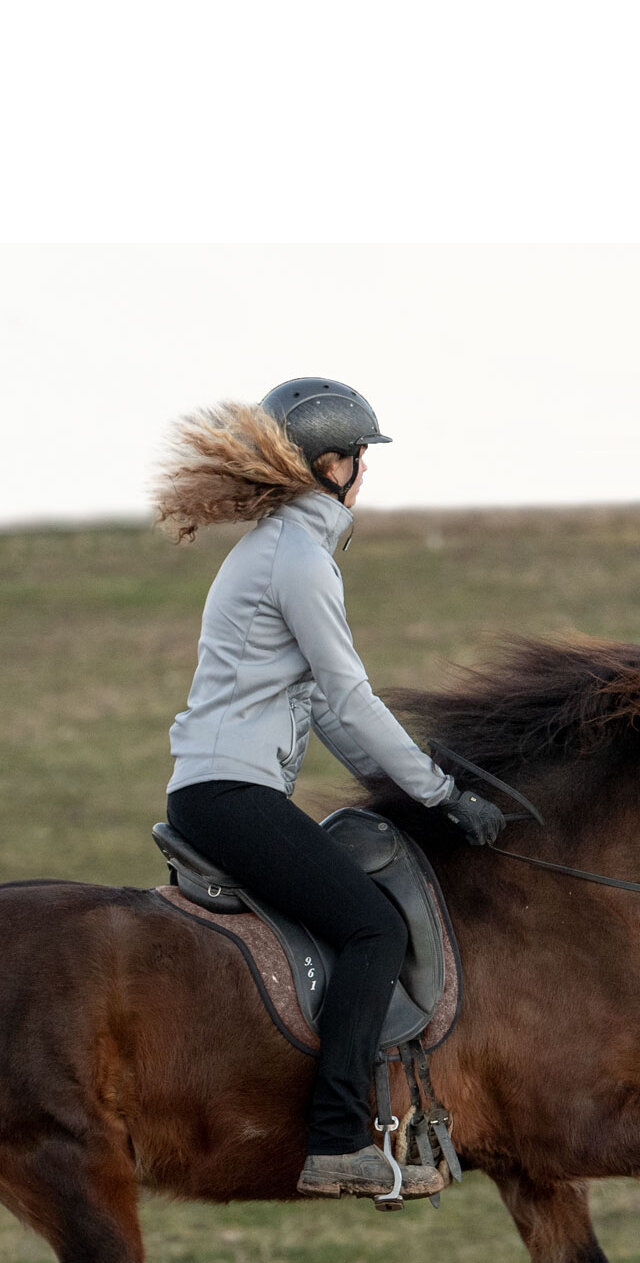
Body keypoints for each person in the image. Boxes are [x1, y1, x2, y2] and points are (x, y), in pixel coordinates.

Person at [155, 378, 507, 1199]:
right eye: (359, 459)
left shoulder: (281, 551)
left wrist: (420, 783)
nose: (364, 476)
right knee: (373, 932)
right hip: (229, 798)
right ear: (333, 465)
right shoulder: (301, 557)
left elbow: (322, 707)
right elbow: (351, 697)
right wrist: (438, 793)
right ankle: (338, 1138)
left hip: (221, 789)